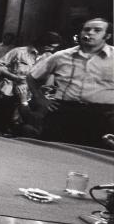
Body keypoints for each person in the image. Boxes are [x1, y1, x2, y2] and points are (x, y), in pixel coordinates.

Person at [26, 18, 114, 148]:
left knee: (93, 157)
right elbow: (32, 77)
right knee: (51, 152)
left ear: (107, 36)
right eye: (86, 29)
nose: (89, 33)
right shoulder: (61, 56)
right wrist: (41, 99)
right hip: (64, 112)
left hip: (101, 115)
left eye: (97, 30)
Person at [0, 31, 61, 103]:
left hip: (31, 97)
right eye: (51, 46)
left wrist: (46, 88)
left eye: (54, 47)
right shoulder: (19, 52)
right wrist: (14, 77)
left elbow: (50, 76)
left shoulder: (49, 58)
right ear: (42, 43)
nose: (52, 49)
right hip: (9, 93)